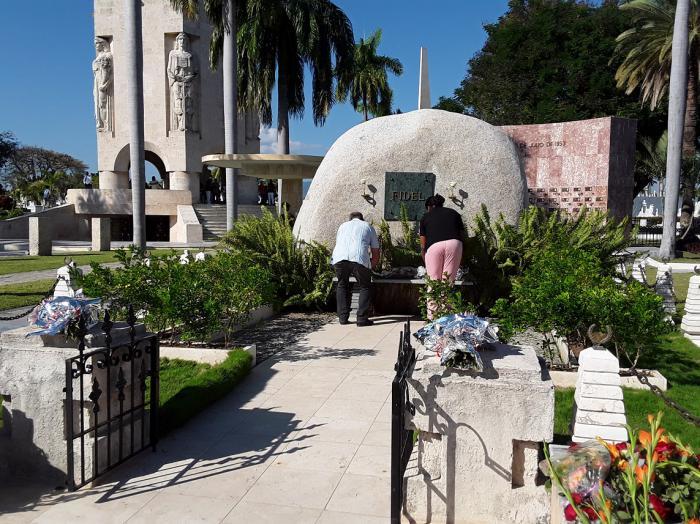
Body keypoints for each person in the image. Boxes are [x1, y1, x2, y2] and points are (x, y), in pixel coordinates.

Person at [419, 194, 465, 319]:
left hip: (434, 247)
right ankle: (446, 316)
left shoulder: (425, 217)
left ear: (429, 207)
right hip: (454, 244)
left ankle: (432, 318)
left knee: (433, 282)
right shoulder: (454, 213)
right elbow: (462, 235)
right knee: (448, 282)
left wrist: (425, 260)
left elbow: (423, 244)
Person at [331, 211, 380, 326]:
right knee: (365, 286)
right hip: (358, 258)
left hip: (339, 258)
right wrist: (370, 267)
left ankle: (342, 318)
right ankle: (362, 319)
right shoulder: (368, 226)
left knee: (342, 284)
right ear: (362, 219)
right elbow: (375, 252)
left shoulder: (342, 226)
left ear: (350, 219)